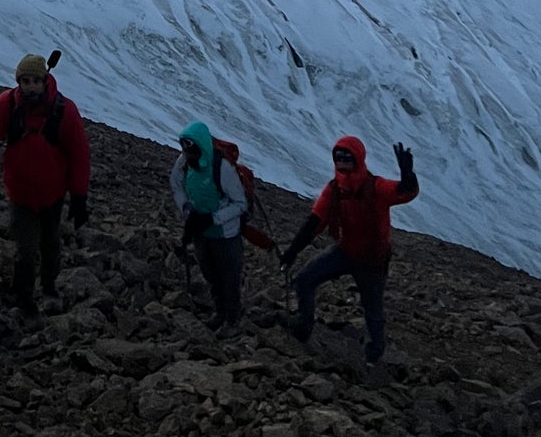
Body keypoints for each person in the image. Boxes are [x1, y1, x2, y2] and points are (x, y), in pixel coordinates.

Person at [0, 53, 91, 318]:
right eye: (25, 81)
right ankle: (24, 297)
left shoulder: (64, 111)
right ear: (19, 82)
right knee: (25, 252)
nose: (30, 86)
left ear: (45, 79)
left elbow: (79, 155)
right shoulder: (8, 104)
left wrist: (79, 197)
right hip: (21, 195)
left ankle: (49, 290)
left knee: (50, 246)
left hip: (53, 195)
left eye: (35, 80)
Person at [279, 135, 418, 364]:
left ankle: (373, 358)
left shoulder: (376, 187)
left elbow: (405, 192)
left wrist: (408, 175)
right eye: (338, 156)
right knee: (304, 279)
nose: (341, 161)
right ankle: (303, 327)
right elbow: (315, 221)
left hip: (372, 260)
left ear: (358, 159)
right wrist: (293, 251)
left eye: (347, 156)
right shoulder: (335, 190)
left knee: (372, 310)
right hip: (346, 251)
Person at [170, 121, 272, 332]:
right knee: (210, 274)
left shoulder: (222, 168)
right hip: (201, 230)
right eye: (185, 149)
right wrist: (187, 209)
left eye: (192, 149)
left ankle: (231, 318)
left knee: (229, 277)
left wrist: (212, 218)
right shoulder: (184, 161)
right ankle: (220, 313)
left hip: (226, 234)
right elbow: (176, 185)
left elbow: (240, 204)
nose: (188, 154)